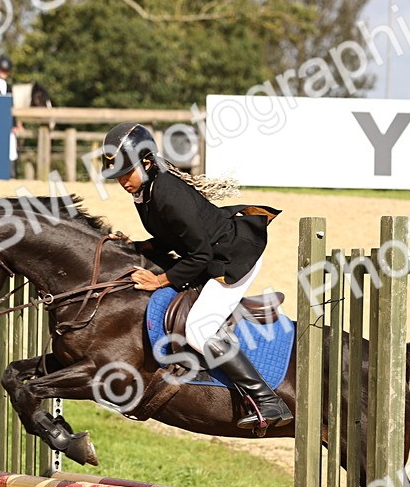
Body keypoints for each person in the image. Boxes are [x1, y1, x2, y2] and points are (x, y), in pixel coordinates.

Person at [101, 122, 293, 431]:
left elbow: (201, 255)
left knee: (199, 331)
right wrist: (133, 245)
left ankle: (267, 400)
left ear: (147, 162)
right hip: (209, 254)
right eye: (118, 176)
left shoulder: (166, 193)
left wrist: (160, 281)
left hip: (231, 258)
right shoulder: (145, 191)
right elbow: (171, 240)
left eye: (127, 172)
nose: (123, 181)